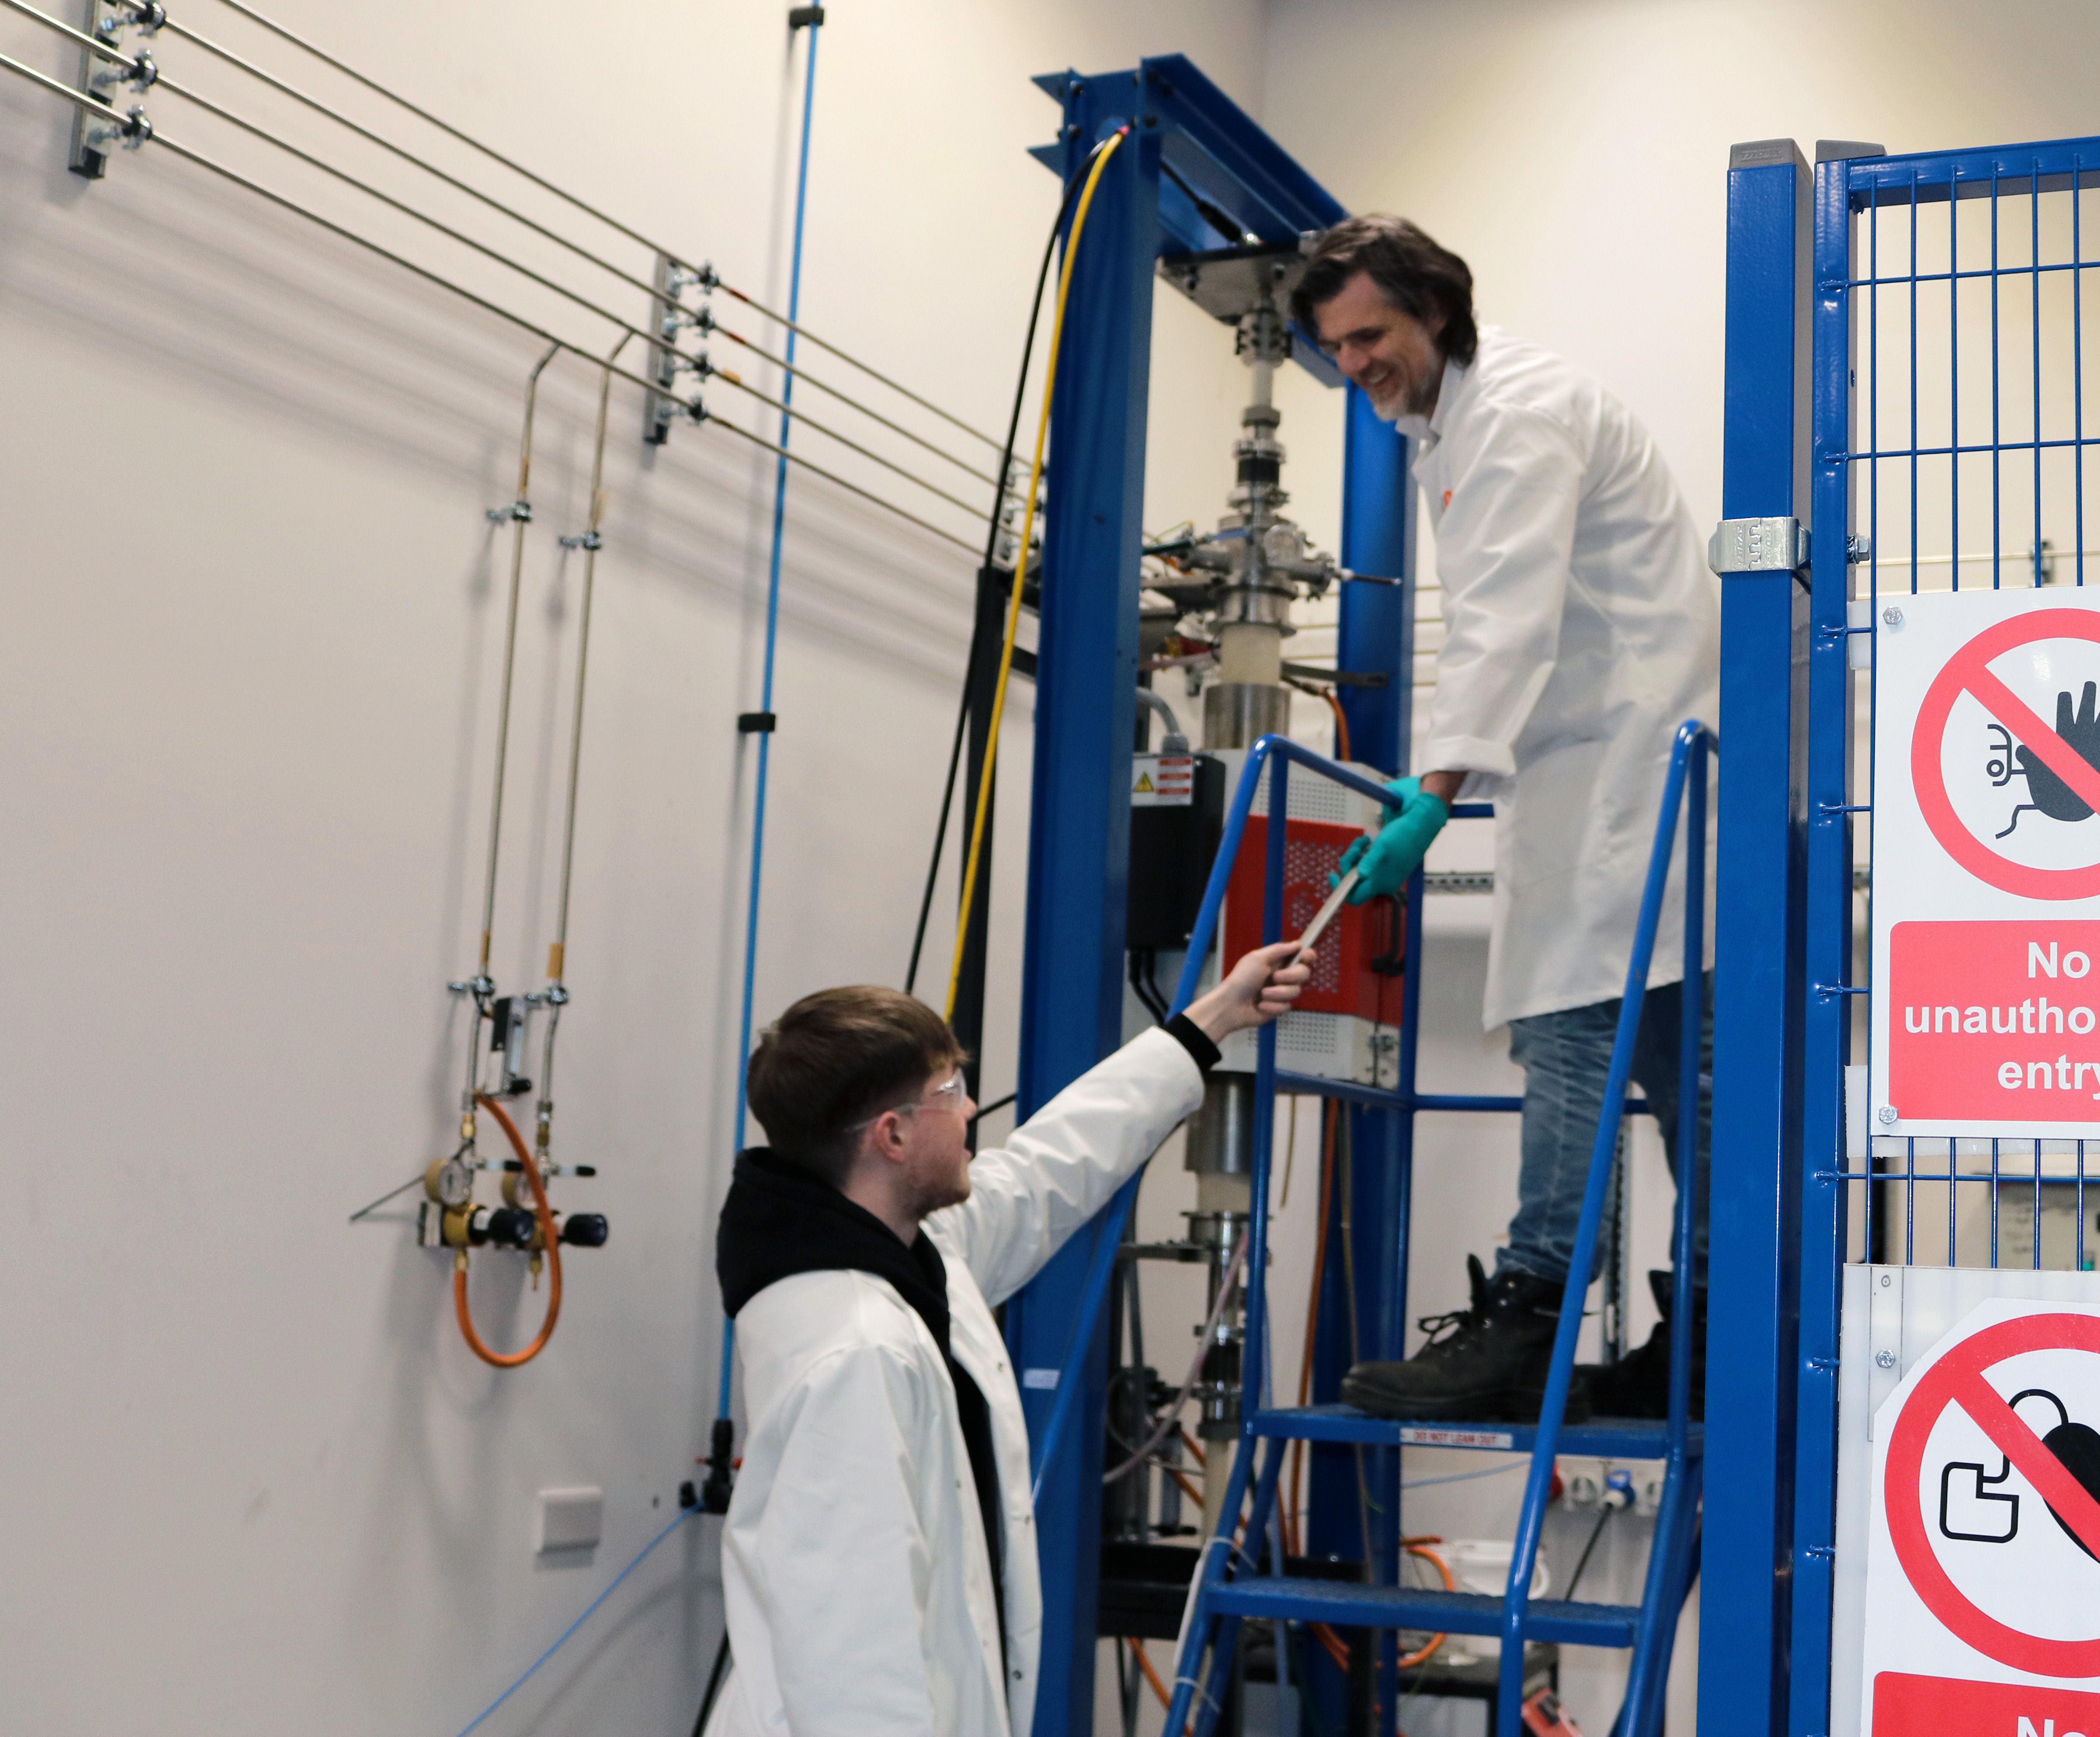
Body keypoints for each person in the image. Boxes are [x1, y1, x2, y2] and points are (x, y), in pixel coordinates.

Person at [1293, 215, 1721, 1423]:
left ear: (1434, 309)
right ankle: (1711, 1329)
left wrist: (1429, 799)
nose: (1354, 364)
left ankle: (1532, 1317)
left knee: (1572, 1032)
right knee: (1681, 1068)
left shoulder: (1516, 414)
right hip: (1611, 764)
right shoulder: (1454, 424)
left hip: (1628, 764)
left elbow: (1502, 625)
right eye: (1336, 347)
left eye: (1369, 335)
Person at [704, 941, 1310, 1737]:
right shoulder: (856, 1352)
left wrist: (1213, 1020)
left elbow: (1042, 1172)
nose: (970, 1112)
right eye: (949, 1091)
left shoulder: (908, 1255)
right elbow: (855, 1653)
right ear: (891, 1135)